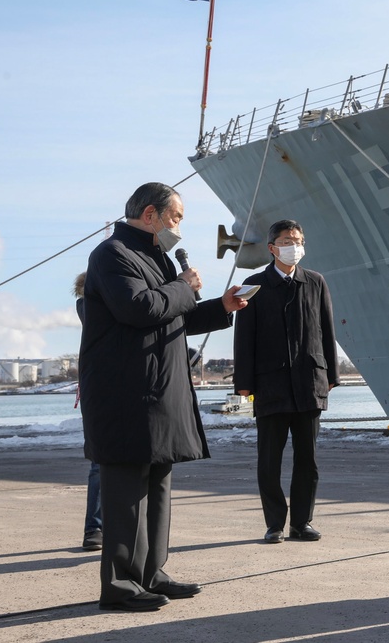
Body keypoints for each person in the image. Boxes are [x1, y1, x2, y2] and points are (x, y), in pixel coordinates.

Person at [79, 182, 248, 612]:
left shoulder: (155, 256)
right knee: (125, 493)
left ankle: (152, 572)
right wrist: (186, 287)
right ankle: (119, 586)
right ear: (150, 215)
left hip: (159, 391)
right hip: (126, 395)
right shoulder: (113, 254)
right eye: (176, 218)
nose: (179, 228)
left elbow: (175, 317)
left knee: (157, 488)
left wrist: (220, 307)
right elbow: (139, 309)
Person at [234, 220, 339, 544]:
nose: (294, 245)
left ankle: (301, 523)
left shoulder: (316, 282)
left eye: (298, 240)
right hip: (271, 387)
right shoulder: (252, 285)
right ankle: (275, 524)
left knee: (308, 461)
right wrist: (244, 385)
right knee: (269, 461)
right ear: (272, 247)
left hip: (308, 384)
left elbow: (326, 331)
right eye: (286, 240)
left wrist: (330, 376)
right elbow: (244, 338)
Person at [73, 271, 102, 552]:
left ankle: (98, 527)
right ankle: (94, 527)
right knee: (99, 463)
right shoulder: (88, 305)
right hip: (101, 389)